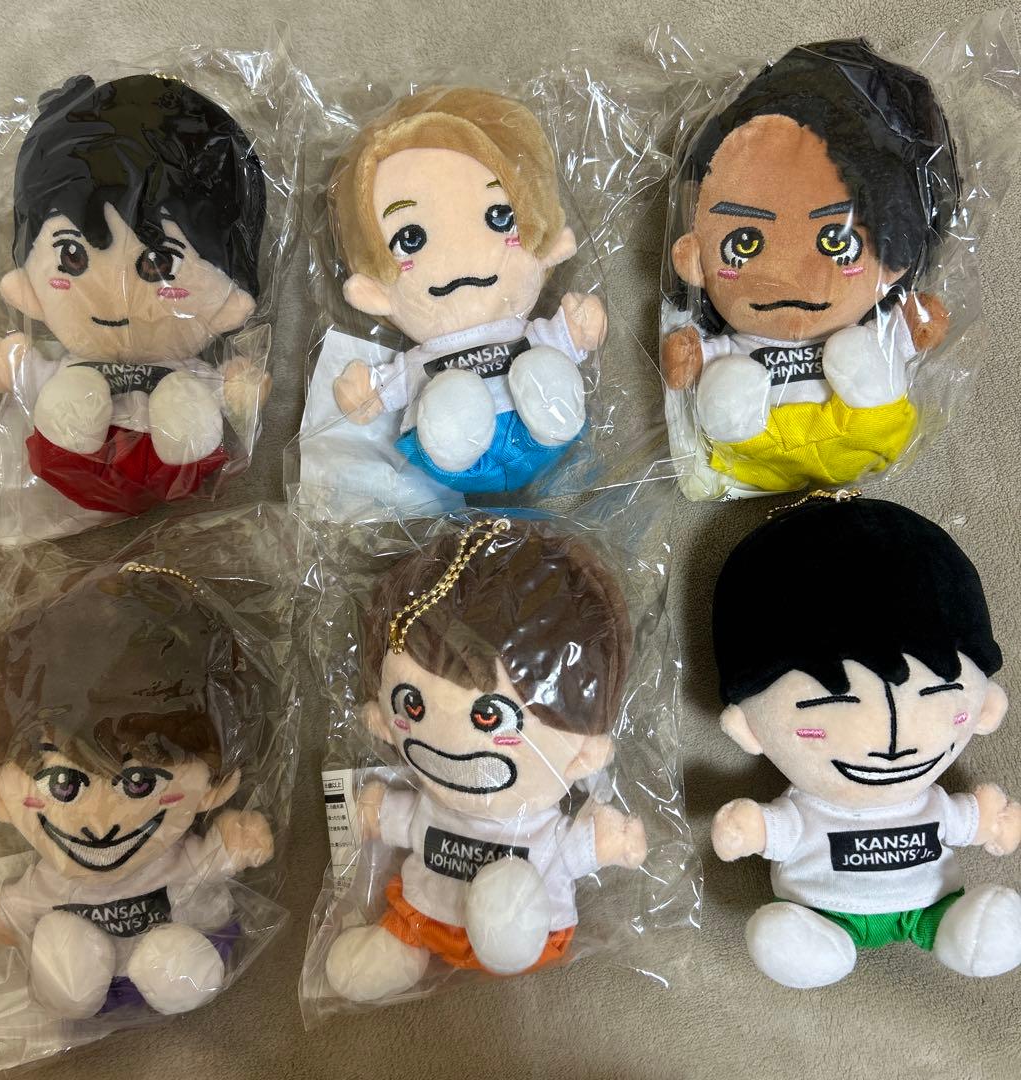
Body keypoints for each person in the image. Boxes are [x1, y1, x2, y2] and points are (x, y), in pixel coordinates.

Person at [325, 519, 646, 1000]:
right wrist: (373, 812)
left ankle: (504, 941)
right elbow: (404, 819)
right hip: (422, 914)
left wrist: (610, 841)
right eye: (411, 706)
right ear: (383, 718)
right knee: (401, 928)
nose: (452, 742)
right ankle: (403, 942)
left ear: (583, 751)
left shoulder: (540, 824)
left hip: (532, 936)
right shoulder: (433, 805)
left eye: (490, 718)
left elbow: (571, 848)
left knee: (510, 904)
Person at [711, 495, 1021, 987]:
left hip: (933, 904)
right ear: (749, 728)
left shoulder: (933, 802)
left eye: (937, 694)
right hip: (822, 910)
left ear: (986, 709)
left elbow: (966, 820)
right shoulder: (806, 810)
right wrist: (751, 829)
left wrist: (990, 821)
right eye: (833, 704)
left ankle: (961, 933)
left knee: (976, 928)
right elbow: (777, 828)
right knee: (790, 937)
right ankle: (816, 945)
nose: (893, 747)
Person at [0, 565, 274, 1017]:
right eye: (64, 784)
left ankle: (169, 974)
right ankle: (74, 987)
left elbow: (204, 862)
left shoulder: (171, 858)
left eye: (138, 783)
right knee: (64, 953)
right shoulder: (53, 881)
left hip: (178, 943)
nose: (100, 824)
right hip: (93, 972)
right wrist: (3, 917)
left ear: (213, 789)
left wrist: (233, 845)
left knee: (170, 959)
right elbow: (23, 901)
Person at [663, 40, 959, 493]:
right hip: (756, 449)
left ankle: (870, 408)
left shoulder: (867, 317)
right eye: (744, 244)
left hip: (863, 431)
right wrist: (691, 355)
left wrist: (913, 324)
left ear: (891, 256)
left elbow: (911, 331)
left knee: (859, 350)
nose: (790, 275)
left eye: (835, 240)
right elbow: (699, 359)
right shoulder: (734, 342)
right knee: (728, 384)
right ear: (694, 260)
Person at [0, 73, 269, 521]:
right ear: (28, 289)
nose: (113, 296)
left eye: (158, 263)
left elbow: (226, 389)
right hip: (70, 464)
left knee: (184, 399)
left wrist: (237, 387)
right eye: (72, 256)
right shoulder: (69, 359)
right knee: (72, 392)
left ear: (229, 301)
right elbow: (31, 373)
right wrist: (12, 366)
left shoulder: (184, 364)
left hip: (175, 469)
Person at [328, 88, 607, 492]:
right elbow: (389, 387)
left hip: (542, 439)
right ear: (375, 290)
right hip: (454, 464)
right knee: (449, 399)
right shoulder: (420, 361)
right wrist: (368, 391)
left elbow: (567, 336)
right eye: (410, 239)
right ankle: (456, 431)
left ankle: (552, 418)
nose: (459, 252)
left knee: (543, 366)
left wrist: (577, 325)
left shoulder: (524, 331)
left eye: (499, 216)